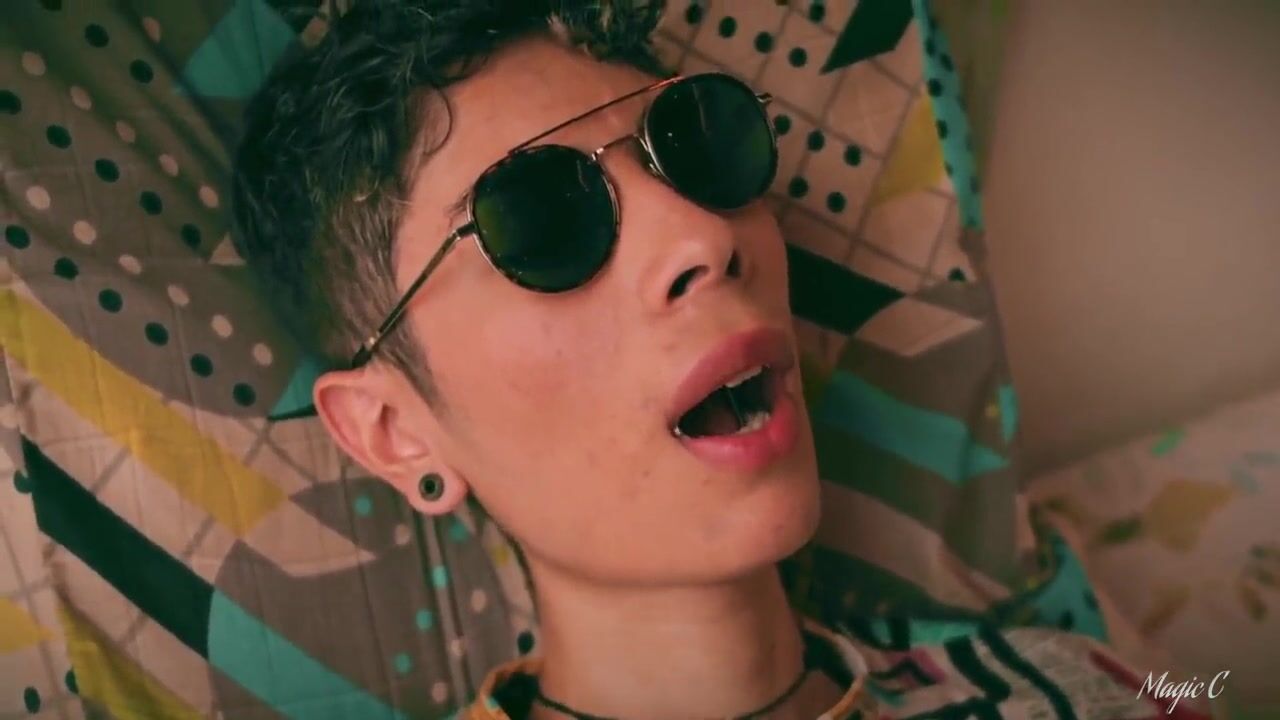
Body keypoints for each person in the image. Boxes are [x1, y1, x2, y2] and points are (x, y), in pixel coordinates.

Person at [231, 2, 1198, 718]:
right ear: (394, 431)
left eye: (697, 149)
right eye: (540, 218)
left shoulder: (1084, 693)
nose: (703, 235)